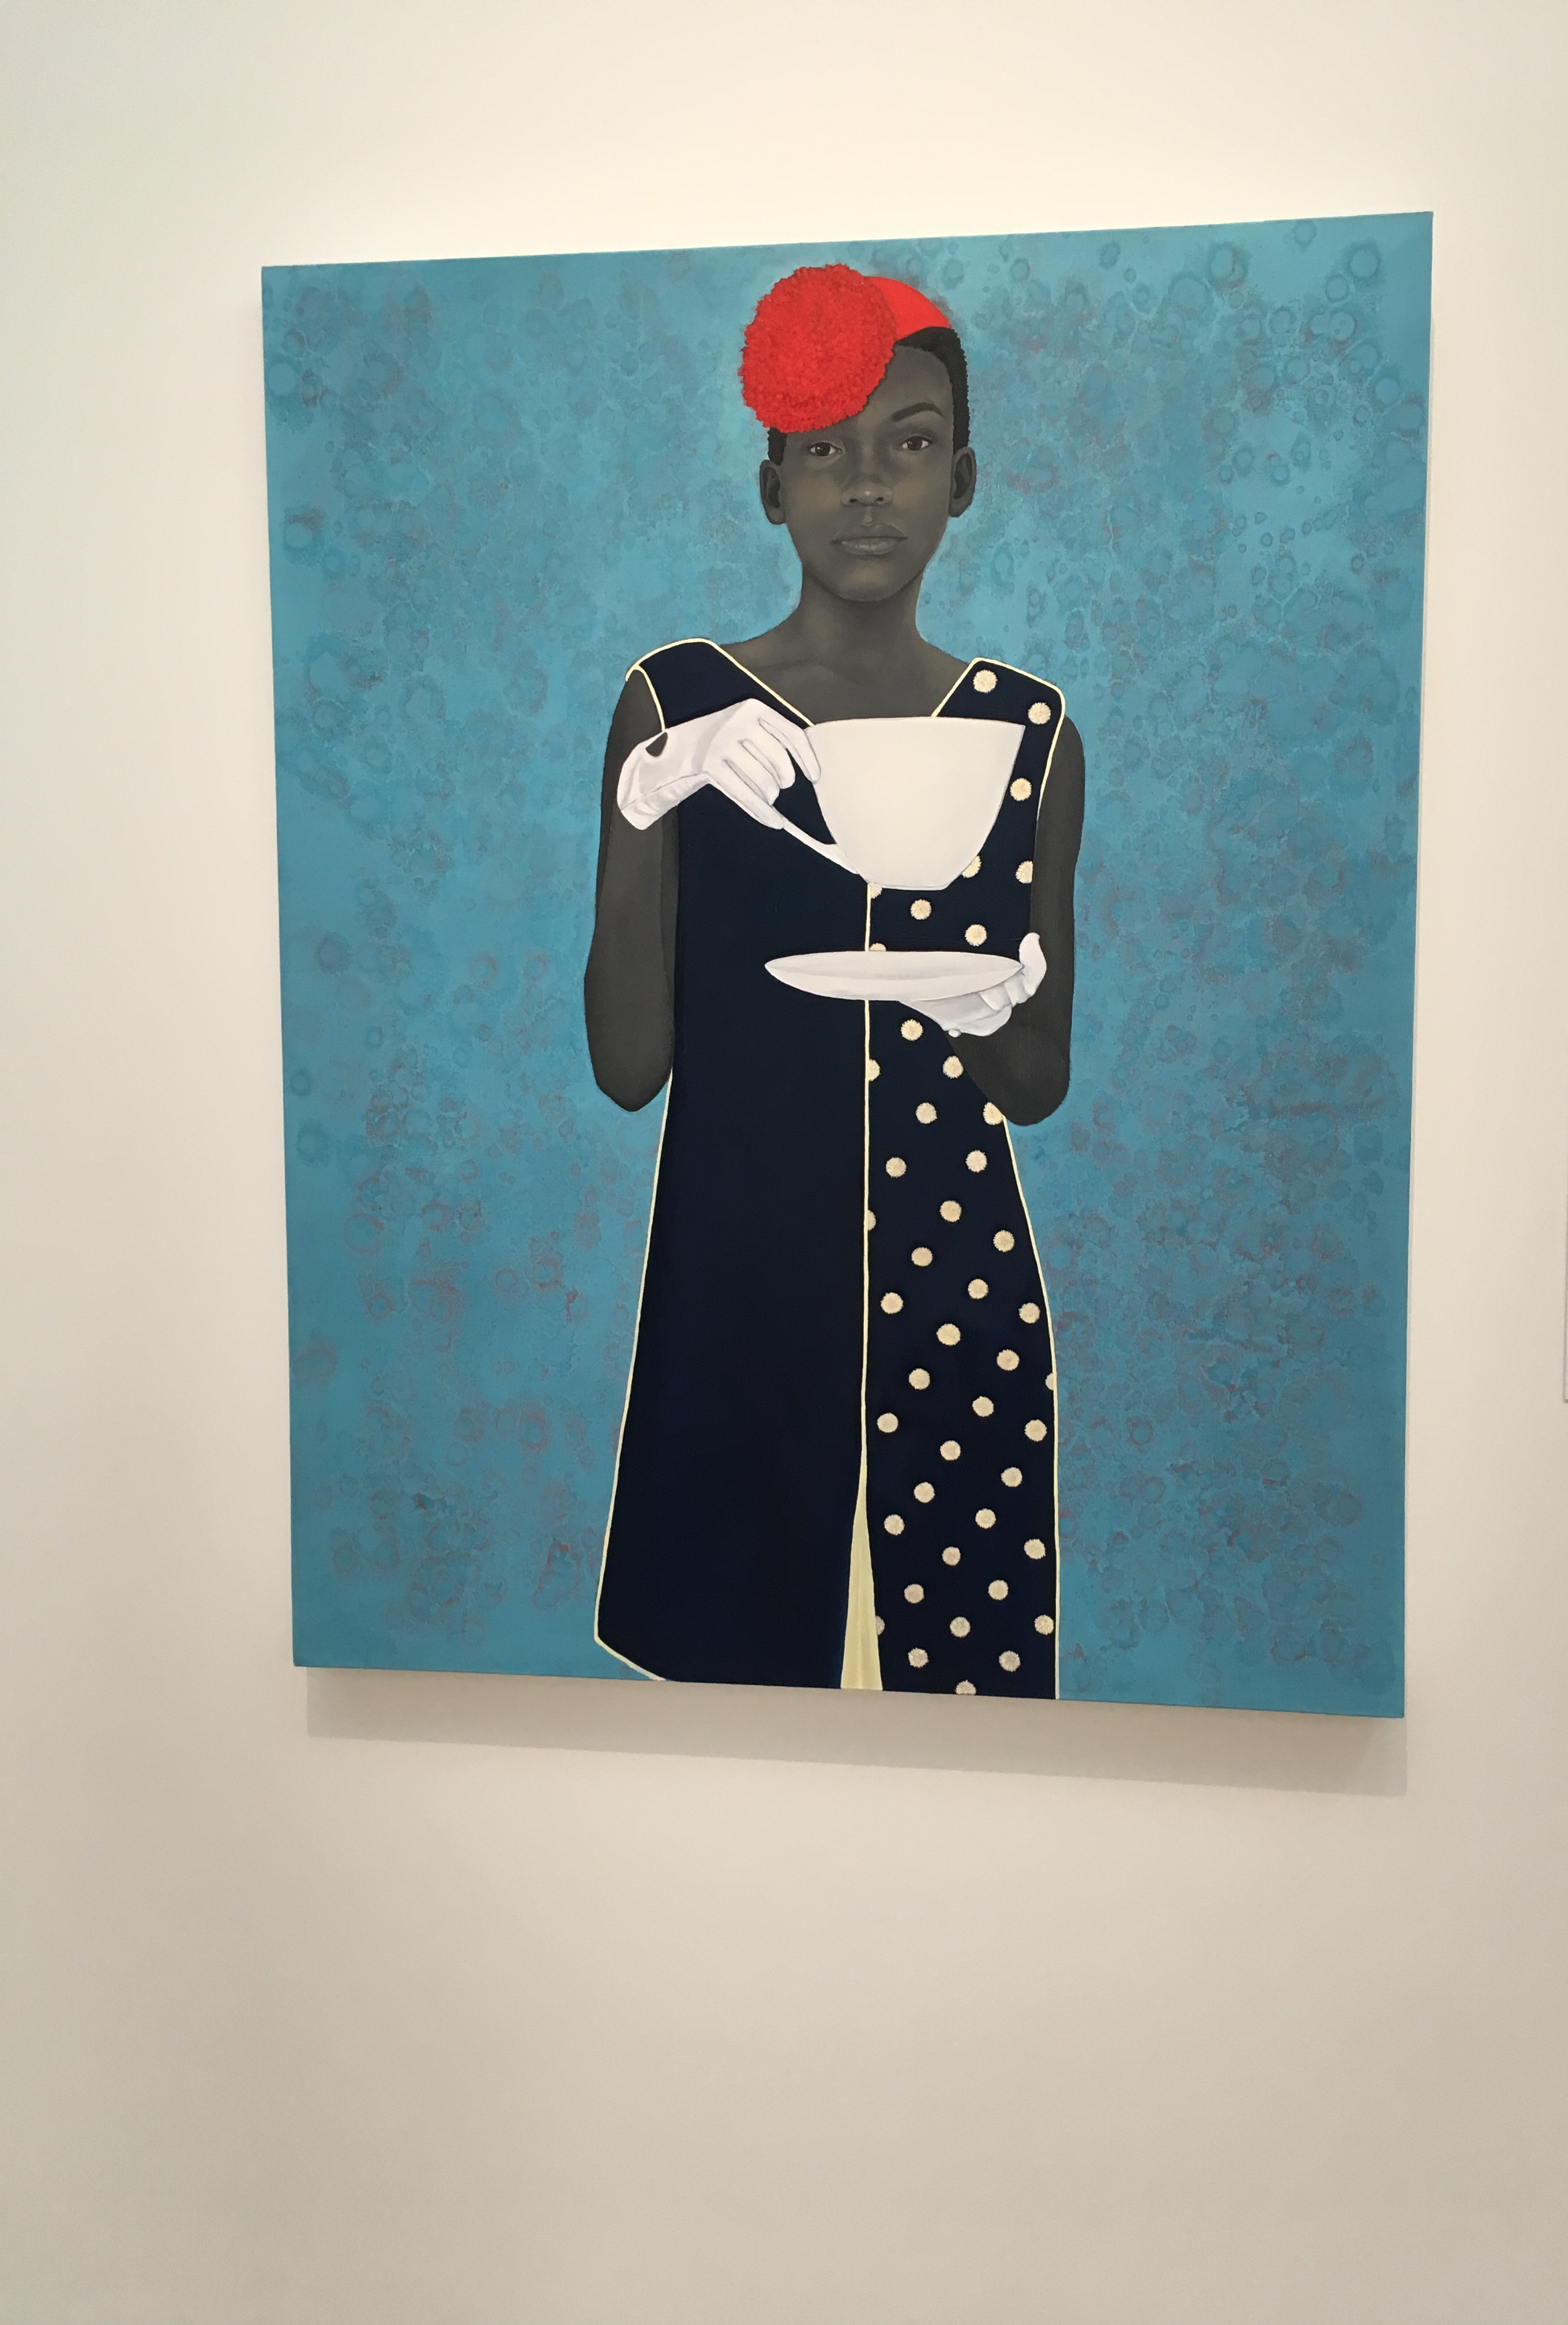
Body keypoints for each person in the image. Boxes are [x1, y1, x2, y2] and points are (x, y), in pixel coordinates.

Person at [585, 264, 1084, 1697]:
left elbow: (1035, 1086)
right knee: (726, 1704)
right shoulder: (678, 707)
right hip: (735, 1291)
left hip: (958, 1294)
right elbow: (627, 1069)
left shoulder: (1029, 732)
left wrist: (984, 1008)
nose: (869, 485)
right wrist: (647, 803)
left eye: (910, 443)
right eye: (825, 449)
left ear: (964, 478)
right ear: (772, 487)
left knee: (962, 1709)